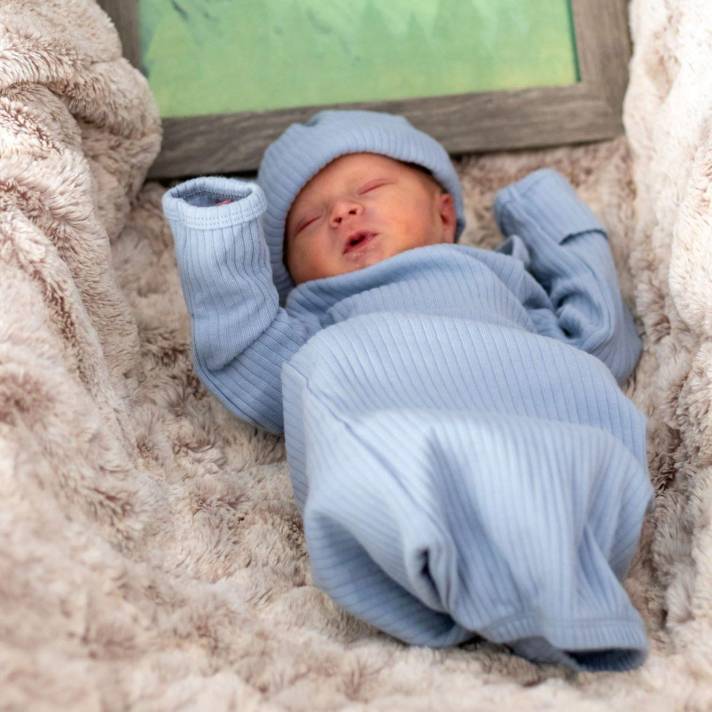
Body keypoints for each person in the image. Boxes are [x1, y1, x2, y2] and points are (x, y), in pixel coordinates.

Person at [162, 110, 654, 672]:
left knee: (578, 409)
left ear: (444, 214)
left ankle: (560, 590)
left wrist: (544, 213)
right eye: (308, 222)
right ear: (292, 277)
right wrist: (220, 234)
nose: (342, 212)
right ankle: (536, 598)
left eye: (370, 188)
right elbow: (240, 347)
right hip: (405, 455)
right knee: (340, 401)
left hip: (543, 426)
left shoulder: (500, 278)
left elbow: (600, 335)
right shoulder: (311, 326)